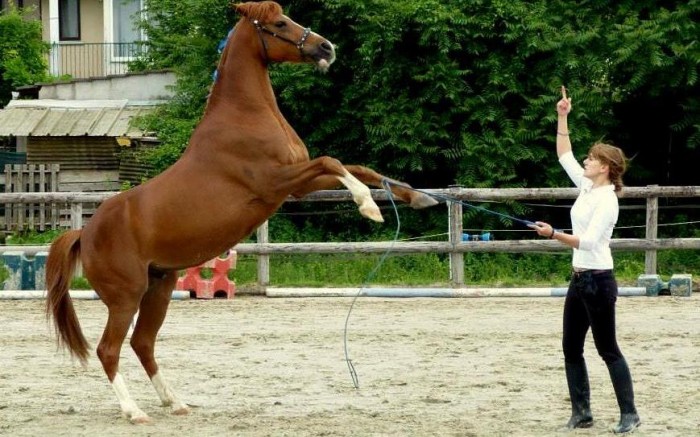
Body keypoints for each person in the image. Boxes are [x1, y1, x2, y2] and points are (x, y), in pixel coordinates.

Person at [529, 86, 641, 434]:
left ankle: (630, 415)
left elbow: (590, 242)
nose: (586, 162)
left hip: (599, 280)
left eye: (592, 159)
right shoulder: (588, 187)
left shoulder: (607, 201)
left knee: (608, 349)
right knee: (571, 348)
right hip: (580, 278)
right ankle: (582, 413)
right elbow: (564, 154)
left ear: (606, 168)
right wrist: (562, 115)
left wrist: (553, 234)